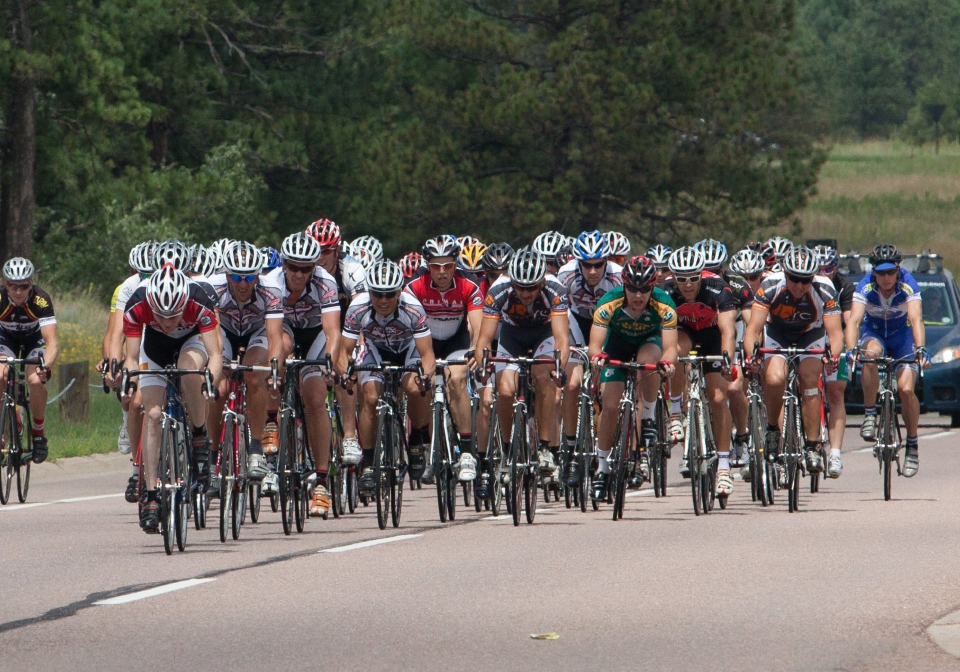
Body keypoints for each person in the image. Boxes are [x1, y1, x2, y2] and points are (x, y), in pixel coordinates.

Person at [113, 265, 222, 532]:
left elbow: (216, 355)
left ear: (183, 302)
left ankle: (198, 435)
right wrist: (128, 383)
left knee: (189, 371)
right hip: (154, 347)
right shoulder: (137, 303)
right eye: (161, 315)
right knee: (151, 415)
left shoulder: (199, 299)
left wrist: (210, 382)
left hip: (191, 341)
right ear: (152, 303)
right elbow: (131, 357)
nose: (168, 322)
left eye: (174, 315)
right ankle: (151, 496)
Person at [744, 246, 843, 478]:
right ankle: (771, 430)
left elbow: (836, 335)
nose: (799, 286)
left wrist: (832, 356)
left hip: (811, 334)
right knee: (774, 377)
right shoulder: (769, 286)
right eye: (794, 279)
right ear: (785, 273)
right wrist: (751, 357)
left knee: (809, 380)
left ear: (813, 277)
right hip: (777, 332)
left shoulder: (825, 289)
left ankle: (812, 446)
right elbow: (753, 330)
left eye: (805, 280)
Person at [337, 260, 436, 493]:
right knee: (370, 397)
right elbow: (344, 352)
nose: (383, 300)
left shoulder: (413, 308)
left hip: (407, 349)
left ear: (399, 292)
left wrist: (427, 376)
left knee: (415, 388)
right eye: (377, 294)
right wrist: (345, 374)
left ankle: (415, 443)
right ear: (369, 292)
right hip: (375, 350)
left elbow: (427, 354)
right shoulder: (357, 308)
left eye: (389, 294)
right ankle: (369, 464)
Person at [263, 232, 342, 517]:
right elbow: (272, 335)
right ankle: (271, 421)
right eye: (293, 267)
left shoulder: (325, 281)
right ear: (283, 264)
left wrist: (330, 363)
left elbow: (333, 332)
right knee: (280, 349)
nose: (299, 274)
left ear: (314, 268)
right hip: (284, 332)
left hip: (315, 335)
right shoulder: (270, 283)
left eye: (306, 268)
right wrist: (275, 370)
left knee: (315, 398)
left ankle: (321, 482)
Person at [473, 249, 569, 481]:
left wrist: (559, 367)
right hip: (512, 335)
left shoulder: (555, 290)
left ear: (542, 282)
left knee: (544, 376)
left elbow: (562, 338)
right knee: (505, 391)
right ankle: (507, 450)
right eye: (520, 288)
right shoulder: (498, 290)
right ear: (512, 282)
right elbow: (484, 340)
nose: (526, 293)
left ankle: (545, 448)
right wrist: (483, 366)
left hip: (542, 334)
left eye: (532, 288)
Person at [587, 256, 677, 497]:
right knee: (610, 407)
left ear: (653, 287)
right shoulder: (609, 302)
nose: (638, 296)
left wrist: (667, 363)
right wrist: (597, 357)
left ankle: (648, 416)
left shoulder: (664, 303)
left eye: (645, 290)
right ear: (623, 286)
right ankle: (603, 467)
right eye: (633, 289)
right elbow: (594, 345)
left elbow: (670, 348)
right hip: (616, 345)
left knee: (647, 362)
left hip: (649, 341)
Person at [845, 244, 929, 477]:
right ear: (873, 272)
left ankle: (912, 446)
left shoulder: (907, 282)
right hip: (875, 334)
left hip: (902, 336)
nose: (885, 278)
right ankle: (870, 414)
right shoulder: (865, 285)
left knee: (906, 388)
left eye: (890, 272)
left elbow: (916, 318)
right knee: (869, 355)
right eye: (880, 273)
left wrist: (921, 349)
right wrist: (852, 350)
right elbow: (853, 321)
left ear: (897, 269)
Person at [405, 236, 483, 482]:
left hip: (455, 342)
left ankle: (467, 451)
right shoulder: (414, 287)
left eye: (447, 266)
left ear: (455, 265)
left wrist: (476, 351)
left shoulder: (468, 286)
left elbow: (478, 328)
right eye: (436, 266)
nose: (441, 272)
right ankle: (418, 437)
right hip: (423, 342)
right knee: (418, 386)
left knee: (458, 380)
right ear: (427, 265)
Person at [663, 247, 738, 496]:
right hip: (683, 333)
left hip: (712, 336)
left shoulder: (718, 287)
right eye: (681, 279)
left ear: (701, 275)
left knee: (718, 398)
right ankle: (676, 412)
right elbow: (663, 335)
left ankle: (725, 467)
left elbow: (728, 330)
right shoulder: (666, 291)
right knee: (676, 351)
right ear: (672, 276)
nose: (687, 285)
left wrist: (727, 360)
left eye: (693, 278)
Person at [208, 242, 284, 483]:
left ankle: (254, 449)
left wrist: (274, 368)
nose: (243, 284)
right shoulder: (213, 288)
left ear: (258, 275)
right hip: (225, 333)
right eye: (237, 277)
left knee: (254, 376)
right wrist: (219, 366)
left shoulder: (270, 291)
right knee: (217, 389)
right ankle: (210, 457)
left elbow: (274, 337)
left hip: (257, 332)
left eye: (250, 277)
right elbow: (215, 339)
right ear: (226, 274)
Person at [557, 230, 622, 482]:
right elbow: (559, 313)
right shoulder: (566, 275)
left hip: (608, 326)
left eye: (598, 265)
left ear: (607, 261)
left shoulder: (617, 277)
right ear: (578, 262)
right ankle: (571, 449)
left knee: (607, 393)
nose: (593, 271)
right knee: (572, 384)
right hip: (577, 323)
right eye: (586, 265)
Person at [305, 219, 367, 468]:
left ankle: (350, 435)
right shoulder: (302, 270)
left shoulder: (351, 269)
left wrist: (357, 343)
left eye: (327, 251)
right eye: (316, 250)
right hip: (316, 330)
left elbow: (362, 308)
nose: (321, 257)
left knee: (343, 367)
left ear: (337, 250)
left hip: (348, 328)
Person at [0, 258, 59, 463]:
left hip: (34, 340)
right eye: (13, 286)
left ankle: (38, 433)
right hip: (5, 339)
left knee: (35, 381)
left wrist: (46, 366)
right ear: (5, 283)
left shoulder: (41, 300)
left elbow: (52, 342)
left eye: (24, 286)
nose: (18, 291)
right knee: (1, 374)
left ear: (31, 283)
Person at [815, 245, 855, 478]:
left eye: (828, 269)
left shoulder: (844, 287)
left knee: (836, 392)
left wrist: (848, 349)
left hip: (834, 338)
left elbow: (849, 322)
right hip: (809, 337)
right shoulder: (804, 282)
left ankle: (836, 453)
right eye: (819, 269)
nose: (823, 274)